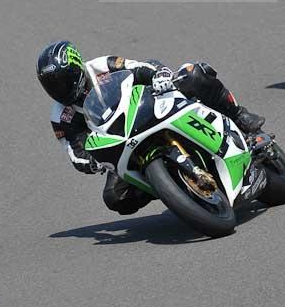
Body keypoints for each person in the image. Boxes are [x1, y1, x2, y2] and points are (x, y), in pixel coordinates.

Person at [37, 41, 265, 215]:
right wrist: (93, 162)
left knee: (194, 74)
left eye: (63, 80)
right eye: (51, 85)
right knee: (115, 198)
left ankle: (239, 115)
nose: (59, 89)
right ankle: (170, 187)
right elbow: (75, 152)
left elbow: (140, 67)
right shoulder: (60, 116)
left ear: (77, 68)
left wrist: (160, 75)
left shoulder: (101, 66)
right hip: (120, 142)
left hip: (148, 106)